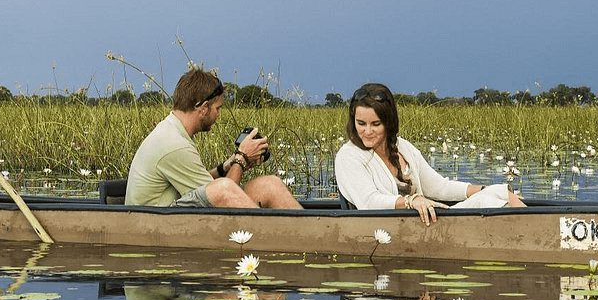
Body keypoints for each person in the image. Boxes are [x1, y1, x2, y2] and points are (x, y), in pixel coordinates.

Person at [335, 82, 525, 223]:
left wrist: (483, 189)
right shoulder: (348, 156)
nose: (367, 131)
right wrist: (411, 201)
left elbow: (439, 187)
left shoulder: (403, 147)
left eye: (375, 124)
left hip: (422, 223)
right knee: (493, 198)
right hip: (392, 228)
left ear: (388, 122)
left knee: (497, 193)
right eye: (361, 124)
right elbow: (369, 202)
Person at [124, 67, 302, 208]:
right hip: (157, 224)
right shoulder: (174, 144)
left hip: (173, 214)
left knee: (268, 185)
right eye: (218, 108)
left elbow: (203, 188)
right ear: (202, 108)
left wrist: (226, 166)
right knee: (223, 189)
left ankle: (308, 237)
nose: (218, 115)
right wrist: (242, 158)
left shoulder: (173, 131)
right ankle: (270, 239)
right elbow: (222, 197)